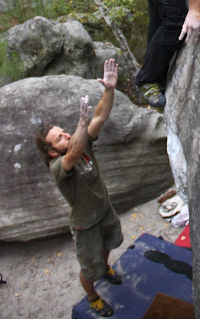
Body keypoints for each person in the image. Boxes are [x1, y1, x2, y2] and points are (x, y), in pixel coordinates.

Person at [35, 59, 122, 318]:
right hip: (86, 225)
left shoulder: (82, 144)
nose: (65, 135)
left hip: (104, 211)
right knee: (89, 268)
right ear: (52, 151)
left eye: (64, 131)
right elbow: (72, 154)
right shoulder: (58, 166)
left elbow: (100, 116)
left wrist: (109, 89)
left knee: (110, 243)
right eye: (58, 137)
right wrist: (80, 125)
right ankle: (93, 296)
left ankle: (105, 268)